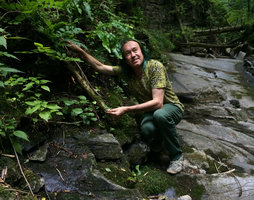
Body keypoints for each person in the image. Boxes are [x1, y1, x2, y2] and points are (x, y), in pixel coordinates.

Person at [67, 39, 185, 174]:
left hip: (171, 107)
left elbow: (158, 103)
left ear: (142, 52)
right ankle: (160, 141)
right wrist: (80, 51)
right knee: (146, 129)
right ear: (125, 58)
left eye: (135, 50)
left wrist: (126, 109)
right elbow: (100, 67)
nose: (133, 55)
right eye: (128, 53)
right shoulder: (127, 72)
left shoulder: (155, 67)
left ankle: (176, 156)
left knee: (161, 115)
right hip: (150, 111)